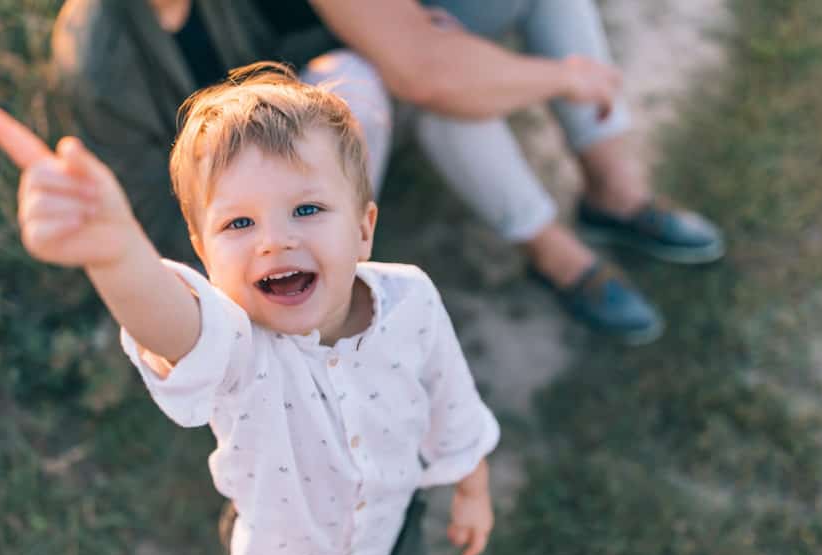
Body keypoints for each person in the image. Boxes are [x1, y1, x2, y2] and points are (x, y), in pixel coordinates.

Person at [0, 64, 500, 555]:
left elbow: (451, 396)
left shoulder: (410, 299)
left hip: (390, 510)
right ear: (202, 253)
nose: (274, 242)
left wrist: (471, 483)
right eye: (239, 223)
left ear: (363, 229)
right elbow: (165, 320)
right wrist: (117, 255)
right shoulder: (235, 344)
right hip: (286, 539)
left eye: (306, 208)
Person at [51, 0, 724, 347]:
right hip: (228, 237)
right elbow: (153, 230)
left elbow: (406, 61)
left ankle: (605, 207)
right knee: (383, 81)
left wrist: (423, 41)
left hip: (326, 146)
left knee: (403, 72)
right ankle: (314, 313)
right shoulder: (101, 57)